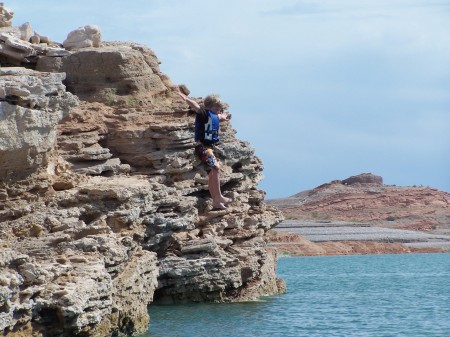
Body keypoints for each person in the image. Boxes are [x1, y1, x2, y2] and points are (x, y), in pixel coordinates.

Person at [177, 91, 232, 210]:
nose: (219, 109)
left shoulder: (215, 115)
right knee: (216, 168)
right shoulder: (203, 113)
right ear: (209, 107)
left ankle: (216, 201)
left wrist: (224, 117)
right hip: (202, 146)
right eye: (217, 107)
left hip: (209, 147)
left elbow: (219, 118)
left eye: (220, 108)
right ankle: (218, 197)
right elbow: (195, 106)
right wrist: (184, 97)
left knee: (213, 172)